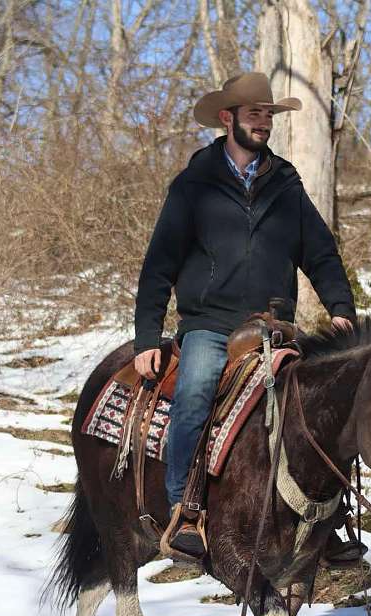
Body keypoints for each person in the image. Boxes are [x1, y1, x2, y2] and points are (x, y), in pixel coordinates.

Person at [134, 72, 357, 558]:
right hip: (210, 325)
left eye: (269, 114)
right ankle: (184, 512)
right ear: (226, 118)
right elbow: (159, 266)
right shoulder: (193, 187)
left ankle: (328, 520)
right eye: (254, 113)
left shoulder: (287, 185)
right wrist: (147, 337)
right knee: (194, 396)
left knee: (317, 402)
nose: (263, 123)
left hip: (275, 325)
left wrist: (341, 308)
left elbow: (321, 253)